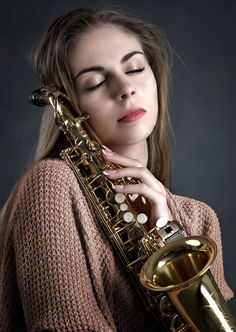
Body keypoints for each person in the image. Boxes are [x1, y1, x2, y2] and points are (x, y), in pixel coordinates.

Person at [0, 6, 234, 332]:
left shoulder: (200, 219)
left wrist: (169, 234)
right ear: (70, 107)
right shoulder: (51, 183)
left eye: (135, 68)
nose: (124, 87)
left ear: (155, 77)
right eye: (95, 82)